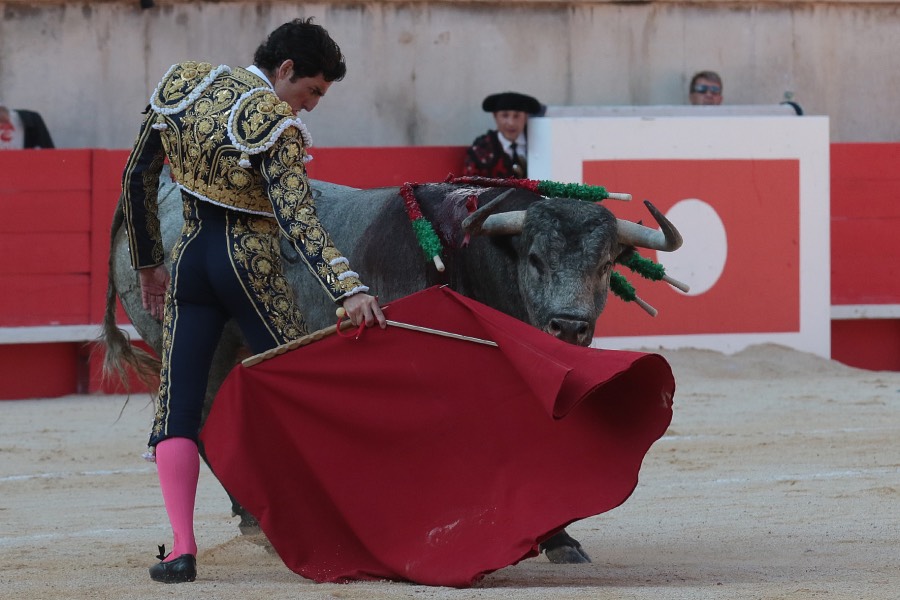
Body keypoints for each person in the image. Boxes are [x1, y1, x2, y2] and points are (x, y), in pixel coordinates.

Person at [120, 18, 385, 584]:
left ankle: (181, 551)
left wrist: (149, 262)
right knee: (298, 393)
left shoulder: (183, 85)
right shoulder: (275, 124)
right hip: (251, 266)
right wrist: (350, 289)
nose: (310, 105)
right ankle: (322, 528)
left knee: (178, 410)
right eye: (310, 90)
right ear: (284, 69)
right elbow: (298, 218)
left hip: (189, 261)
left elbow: (136, 177)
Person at [463, 91, 542, 179]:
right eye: (505, 115)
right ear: (495, 116)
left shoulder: (540, 144)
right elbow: (469, 187)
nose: (511, 123)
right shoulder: (481, 149)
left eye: (517, 116)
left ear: (526, 117)